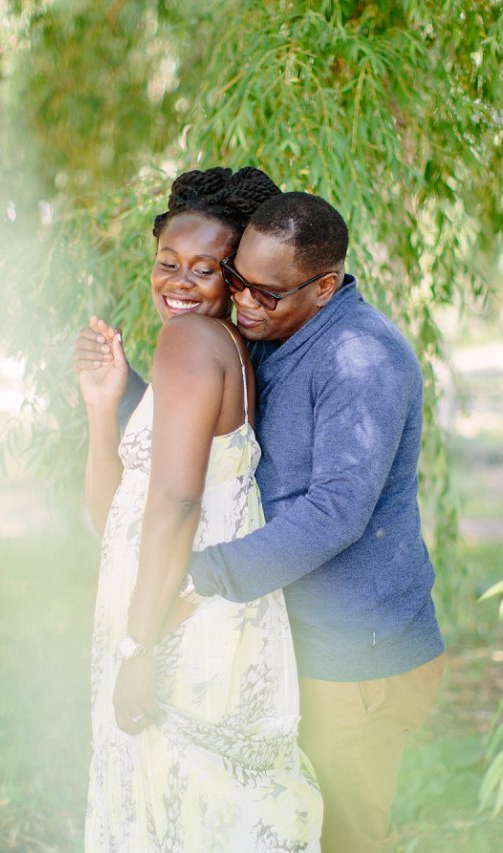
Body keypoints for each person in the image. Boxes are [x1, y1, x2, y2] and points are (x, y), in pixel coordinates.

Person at [80, 191, 445, 853]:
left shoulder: (362, 360)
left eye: (266, 293)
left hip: (355, 654)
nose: (244, 303)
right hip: (293, 639)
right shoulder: (276, 331)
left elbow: (335, 513)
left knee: (341, 837)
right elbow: (218, 449)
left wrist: (201, 574)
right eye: (239, 281)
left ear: (326, 284)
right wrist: (126, 393)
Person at [74, 168, 322, 852]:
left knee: (174, 815)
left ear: (235, 278)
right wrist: (104, 406)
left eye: (205, 269)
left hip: (176, 627)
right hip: (189, 610)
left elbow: (179, 503)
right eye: (168, 264)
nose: (180, 283)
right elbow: (114, 520)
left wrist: (139, 647)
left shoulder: (189, 344)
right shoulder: (222, 349)